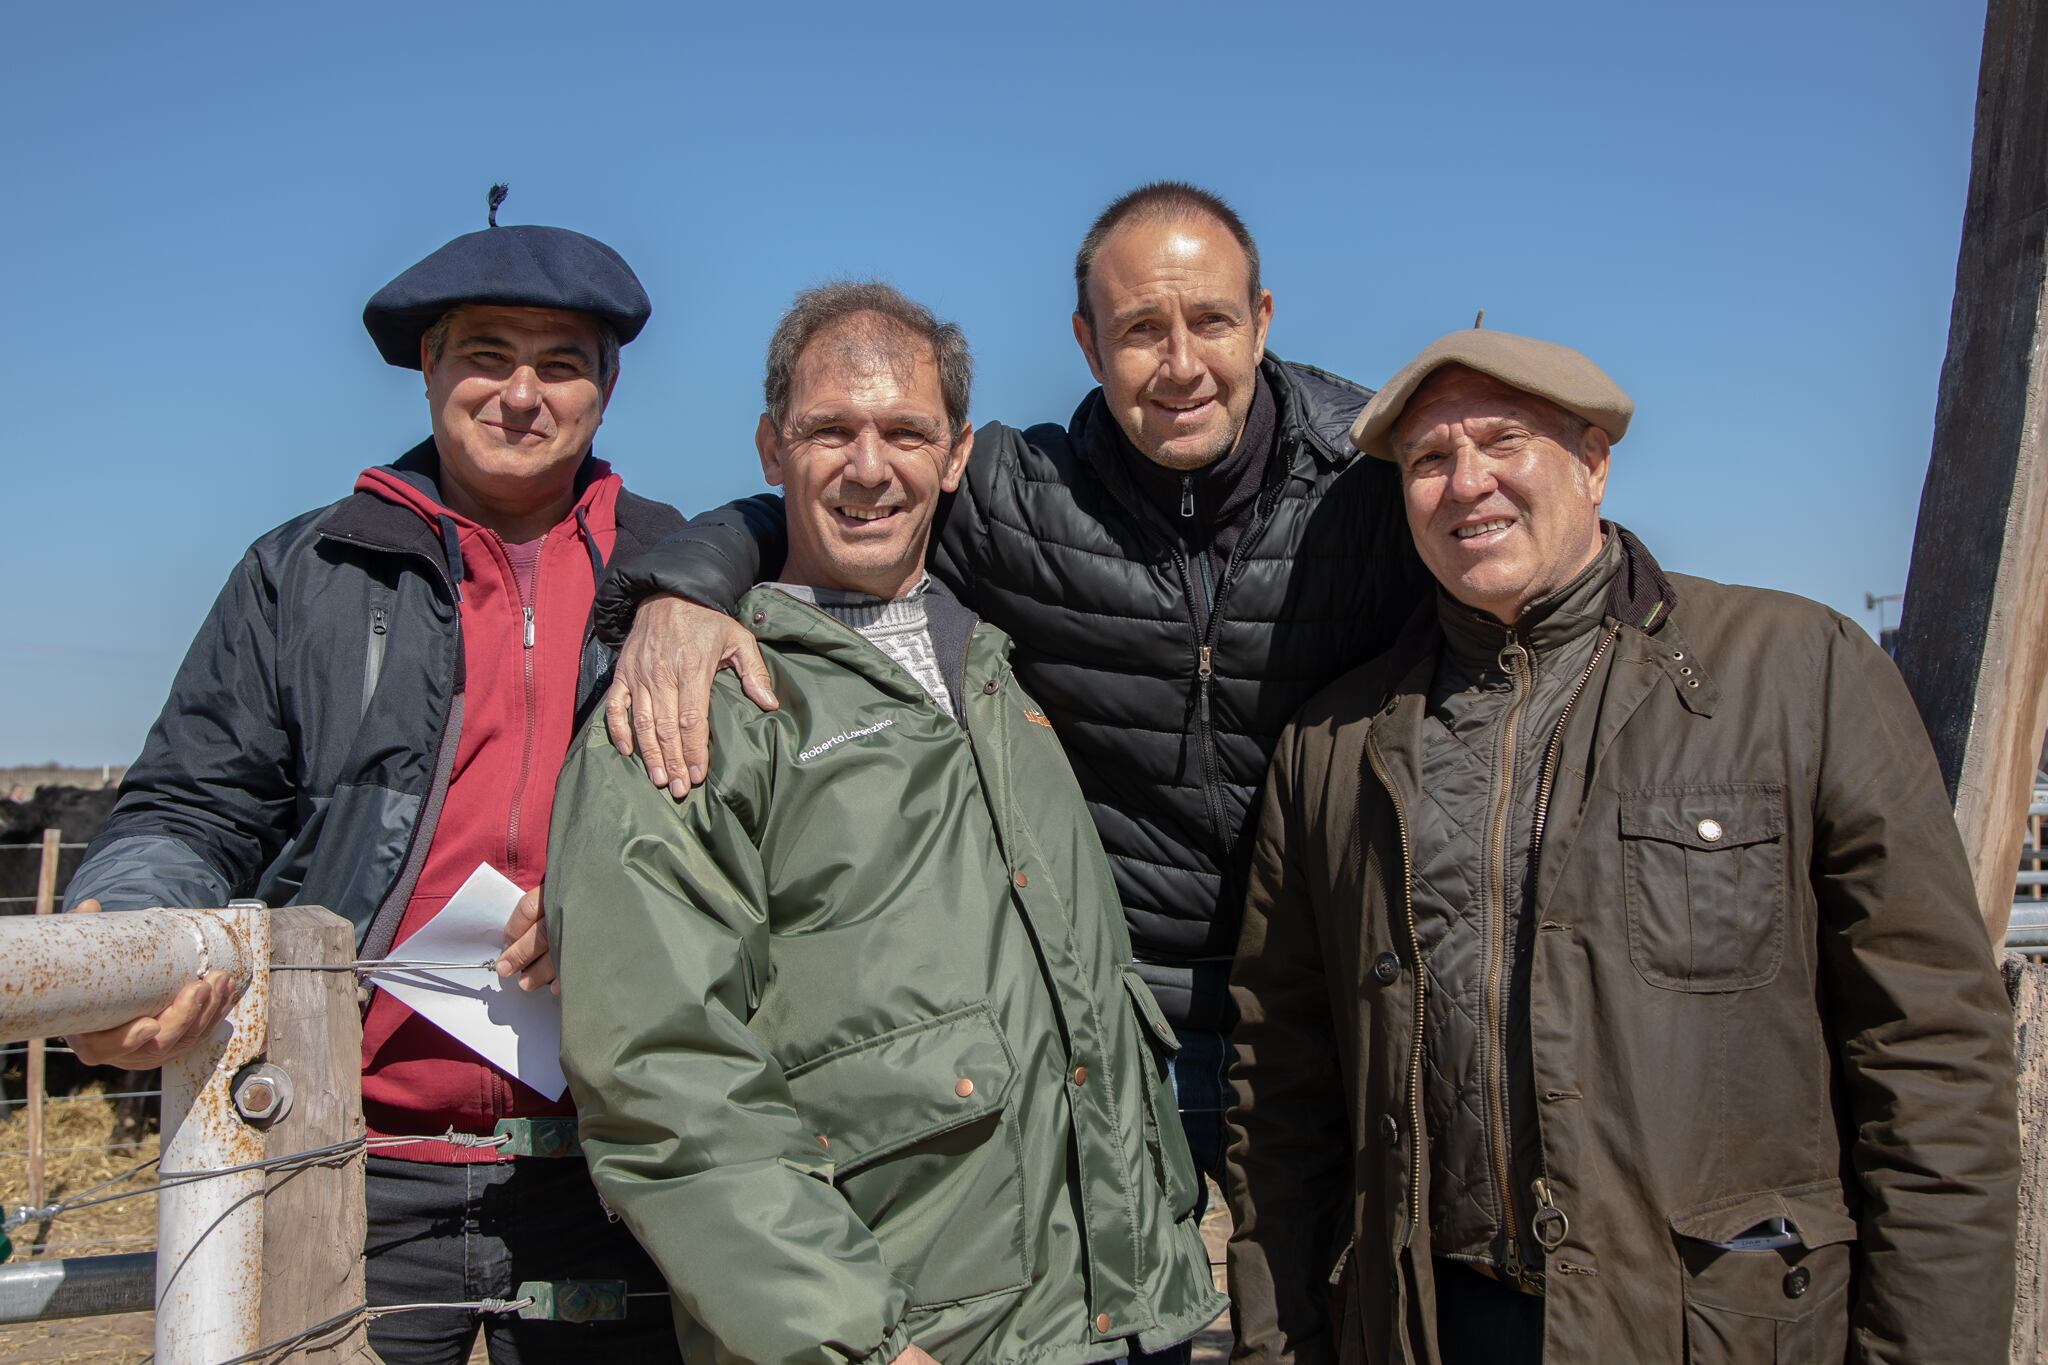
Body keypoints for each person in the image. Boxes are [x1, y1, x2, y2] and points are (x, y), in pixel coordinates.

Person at [592, 187, 1424, 1261]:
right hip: (1133, 1024)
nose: (1178, 363)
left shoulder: (1376, 484)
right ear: (1085, 342)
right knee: (1135, 1311)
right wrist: (683, 591)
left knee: (1348, 1312)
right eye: (1136, 329)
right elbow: (837, 498)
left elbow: (1524, 549)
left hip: (1336, 1003)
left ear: (1262, 318)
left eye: (1209, 321)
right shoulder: (1017, 496)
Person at [1224, 327, 2021, 1364]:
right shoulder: (1332, 747)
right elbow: (1279, 1093)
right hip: (1427, 1324)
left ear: (1592, 461)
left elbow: (1929, 1059)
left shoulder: (1796, 676)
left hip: (1714, 1328)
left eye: (1503, 442)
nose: (1466, 484)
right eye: (1428, 460)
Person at [545, 281, 1227, 1365]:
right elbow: (665, 1073)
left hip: (1120, 1318)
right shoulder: (694, 702)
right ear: (771, 449)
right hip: (905, 1336)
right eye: (830, 431)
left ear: (954, 456)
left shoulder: (1005, 673)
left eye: (905, 432)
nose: (870, 468)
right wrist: (846, 1338)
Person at [62, 193, 687, 1364]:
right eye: (485, 358)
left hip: (624, 1164)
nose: (521, 394)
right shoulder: (305, 573)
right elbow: (193, 802)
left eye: (560, 365)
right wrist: (136, 925)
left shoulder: (682, 582)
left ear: (605, 389)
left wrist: (623, 905)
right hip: (342, 1149)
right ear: (427, 372)